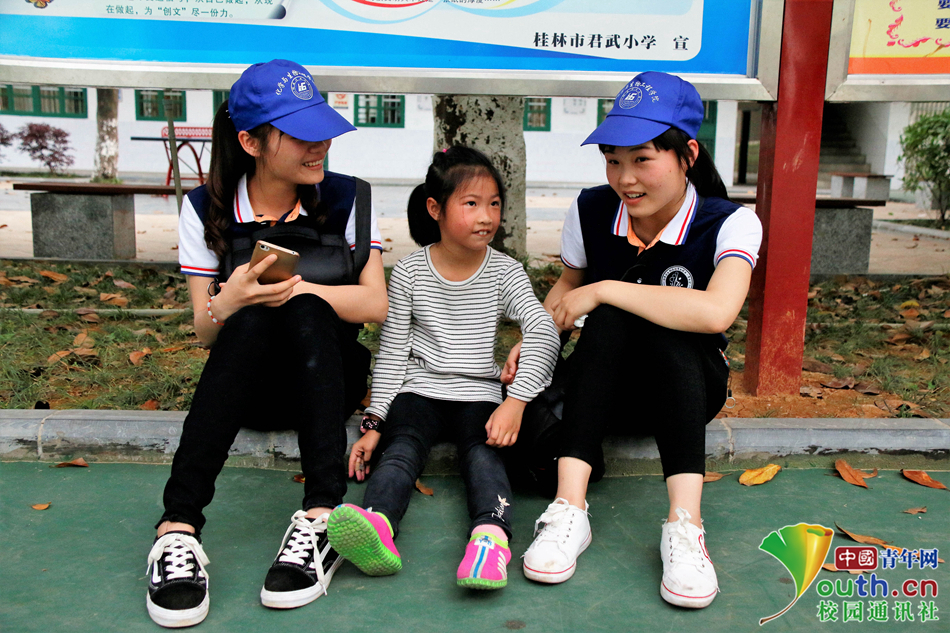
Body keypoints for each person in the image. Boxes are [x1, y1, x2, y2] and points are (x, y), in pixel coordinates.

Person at [145, 59, 388, 628]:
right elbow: (205, 330)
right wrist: (228, 301)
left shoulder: (350, 198)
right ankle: (177, 528)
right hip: (247, 389)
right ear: (251, 142)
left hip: (328, 382)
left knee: (303, 307)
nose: (320, 144)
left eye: (322, 129)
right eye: (301, 134)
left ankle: (321, 517)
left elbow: (375, 304)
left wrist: (303, 289)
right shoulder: (204, 209)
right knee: (250, 318)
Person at [507, 72, 762, 608]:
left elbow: (716, 311)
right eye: (613, 160)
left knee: (654, 317)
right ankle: (569, 510)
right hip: (603, 391)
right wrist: (536, 338)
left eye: (642, 159)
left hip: (689, 389)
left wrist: (606, 289)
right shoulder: (590, 209)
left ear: (687, 154)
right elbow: (567, 288)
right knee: (611, 319)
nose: (625, 178)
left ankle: (685, 525)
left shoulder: (731, 223)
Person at [324, 147, 561, 590]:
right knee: (400, 450)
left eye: (494, 203)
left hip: (480, 395)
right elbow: (393, 353)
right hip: (419, 392)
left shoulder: (505, 271)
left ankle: (490, 539)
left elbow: (543, 330)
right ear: (435, 208)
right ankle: (377, 525)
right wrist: (374, 422)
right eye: (471, 203)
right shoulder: (410, 271)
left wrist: (515, 403)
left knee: (484, 456)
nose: (486, 216)